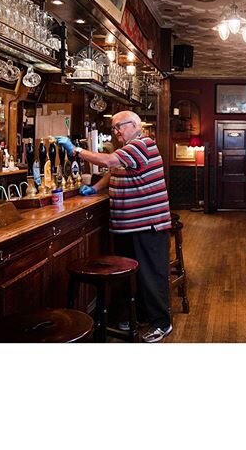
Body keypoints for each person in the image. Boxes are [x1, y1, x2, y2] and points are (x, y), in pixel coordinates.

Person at [56, 110, 173, 343]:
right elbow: (114, 171)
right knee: (137, 276)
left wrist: (75, 150)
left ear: (134, 125)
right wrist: (95, 189)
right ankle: (138, 315)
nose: (116, 131)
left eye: (119, 126)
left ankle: (162, 323)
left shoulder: (142, 144)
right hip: (129, 225)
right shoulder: (129, 149)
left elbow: (110, 161)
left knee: (152, 276)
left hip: (147, 224)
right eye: (114, 128)